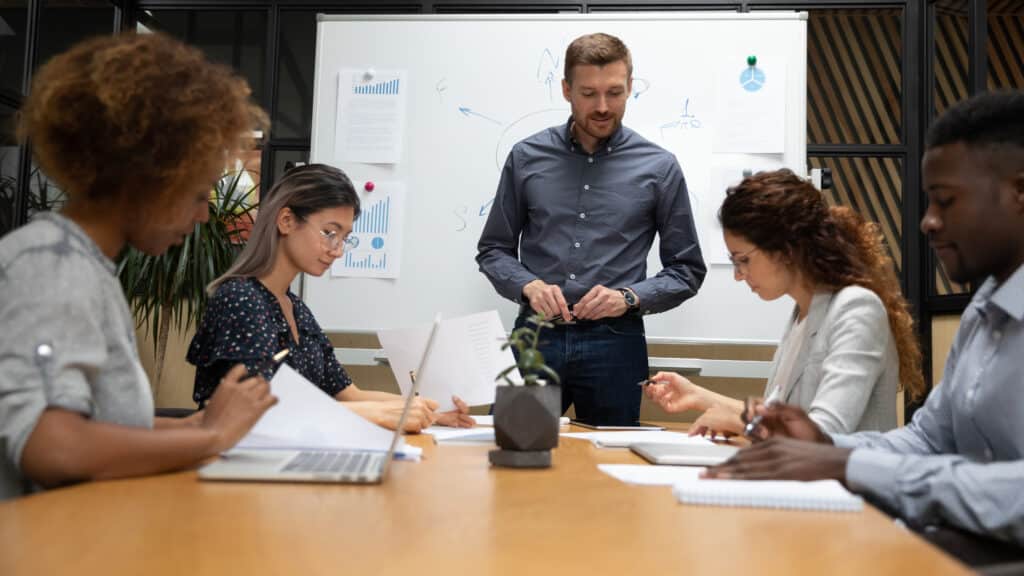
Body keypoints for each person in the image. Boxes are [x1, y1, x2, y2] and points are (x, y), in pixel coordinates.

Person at [706, 91, 1024, 556]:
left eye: (946, 201)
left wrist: (846, 462)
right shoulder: (985, 309)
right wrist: (823, 443)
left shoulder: (854, 306)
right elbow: (927, 438)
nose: (928, 223)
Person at [0, 33, 276, 500]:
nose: (205, 215)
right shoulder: (50, 264)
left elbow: (102, 424)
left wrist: (196, 426)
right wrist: (211, 439)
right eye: (197, 194)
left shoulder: (86, 265)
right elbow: (52, 446)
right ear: (148, 176)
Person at [476, 33, 706, 426]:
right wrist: (528, 286)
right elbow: (493, 250)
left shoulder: (659, 167)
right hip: (536, 337)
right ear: (566, 90)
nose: (603, 106)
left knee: (613, 465)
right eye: (588, 93)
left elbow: (687, 270)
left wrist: (629, 297)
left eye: (615, 92)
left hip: (616, 344)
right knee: (516, 453)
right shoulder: (526, 156)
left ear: (630, 87)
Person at [187, 164, 474, 432]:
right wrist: (380, 415)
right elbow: (261, 413)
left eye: (344, 237)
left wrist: (431, 413)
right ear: (286, 221)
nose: (337, 250)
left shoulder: (297, 309)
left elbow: (350, 395)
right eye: (329, 233)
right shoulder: (240, 299)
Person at [644, 169, 924, 437]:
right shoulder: (802, 313)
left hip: (845, 483)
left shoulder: (857, 308)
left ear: (786, 249)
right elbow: (778, 416)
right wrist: (698, 396)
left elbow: (825, 432)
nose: (738, 275)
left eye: (744, 260)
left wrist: (744, 423)